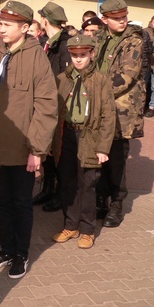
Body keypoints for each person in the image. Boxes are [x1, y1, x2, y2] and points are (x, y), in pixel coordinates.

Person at [0, 0, 57, 279]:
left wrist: (37, 150)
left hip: (23, 148)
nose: (1, 30)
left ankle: (21, 254)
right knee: (2, 201)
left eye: (7, 25)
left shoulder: (36, 57)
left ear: (25, 27)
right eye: (0, 24)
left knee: (21, 203)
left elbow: (46, 107)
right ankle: (6, 249)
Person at [52, 34, 115, 249]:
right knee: (67, 182)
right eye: (75, 55)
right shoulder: (62, 79)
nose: (78, 59)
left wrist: (103, 147)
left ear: (91, 54)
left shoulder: (101, 80)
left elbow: (108, 116)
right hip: (67, 135)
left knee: (87, 184)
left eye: (83, 55)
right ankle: (70, 225)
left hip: (89, 137)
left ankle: (88, 229)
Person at [93, 0, 145, 227]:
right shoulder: (98, 38)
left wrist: (95, 92)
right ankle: (101, 199)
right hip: (100, 107)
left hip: (121, 110)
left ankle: (117, 203)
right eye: (116, 18)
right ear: (104, 20)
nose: (122, 21)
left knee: (117, 159)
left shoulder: (134, 40)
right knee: (99, 156)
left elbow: (126, 76)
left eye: (124, 16)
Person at [33, 1, 72, 213]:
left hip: (58, 103)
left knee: (58, 152)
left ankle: (59, 193)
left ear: (45, 20)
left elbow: (65, 77)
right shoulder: (49, 42)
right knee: (47, 149)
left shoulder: (64, 44)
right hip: (48, 102)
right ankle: (47, 188)